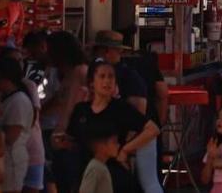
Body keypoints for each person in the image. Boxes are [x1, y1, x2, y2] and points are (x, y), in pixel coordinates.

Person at [62, 60, 159, 191]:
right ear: (92, 83)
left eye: (111, 77)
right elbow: (73, 138)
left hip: (113, 171)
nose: (107, 81)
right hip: (85, 170)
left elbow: (152, 129)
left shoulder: (120, 108)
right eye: (102, 77)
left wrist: (126, 149)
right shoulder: (81, 110)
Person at [89, 30, 160, 193]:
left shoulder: (128, 76)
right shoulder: (97, 74)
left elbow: (139, 116)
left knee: (148, 183)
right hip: (117, 139)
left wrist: (126, 146)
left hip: (139, 136)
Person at [44, 30, 89, 193]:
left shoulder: (81, 72)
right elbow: (59, 103)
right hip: (62, 139)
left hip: (72, 139)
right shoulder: (66, 74)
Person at [0, 56, 34, 193]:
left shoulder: (19, 101)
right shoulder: (7, 99)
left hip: (12, 159)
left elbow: (11, 137)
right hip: (5, 159)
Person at [78, 121, 136, 193]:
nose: (118, 145)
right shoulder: (95, 168)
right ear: (101, 146)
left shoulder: (101, 166)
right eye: (114, 142)